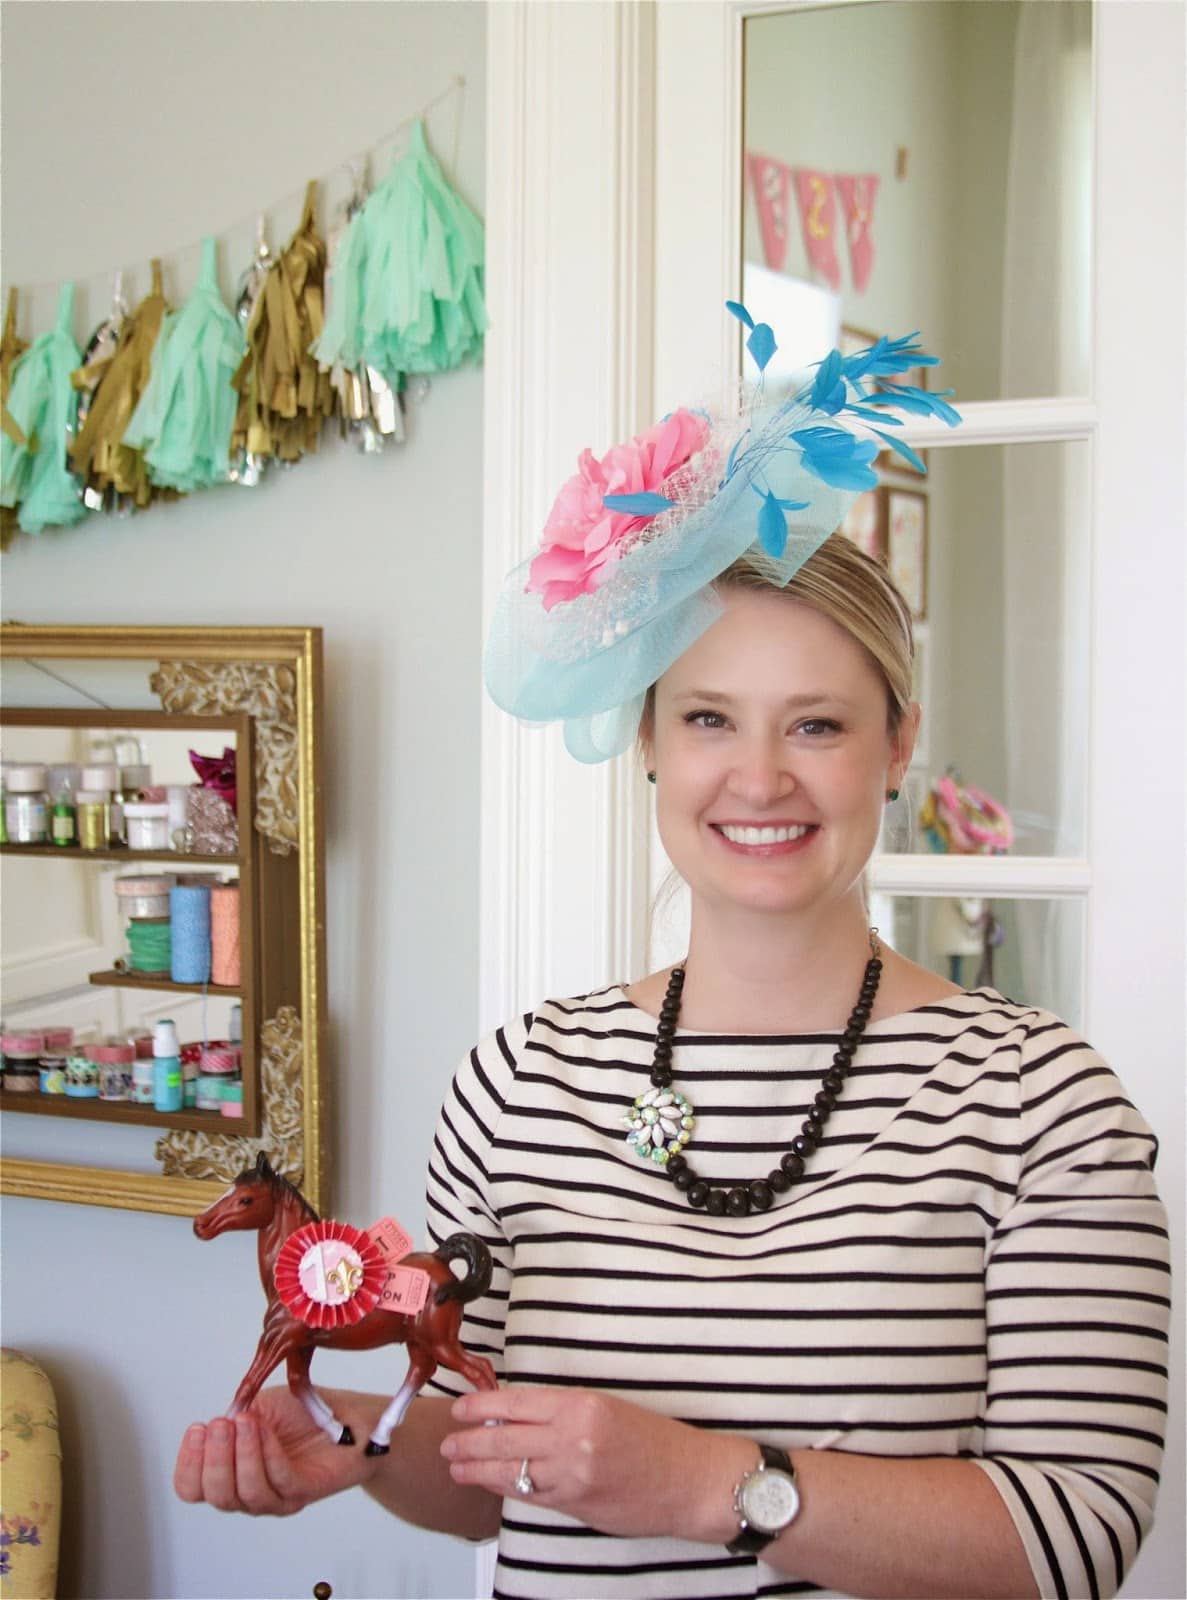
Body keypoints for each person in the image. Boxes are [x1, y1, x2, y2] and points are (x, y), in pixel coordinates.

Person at [175, 315, 1168, 1600]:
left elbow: (1074, 1534)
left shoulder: (1039, 1102)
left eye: (816, 724)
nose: (757, 777)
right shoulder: (520, 1079)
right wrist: (358, 1448)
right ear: (646, 736)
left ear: (896, 745)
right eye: (708, 719)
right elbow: (485, 1478)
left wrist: (705, 1482)